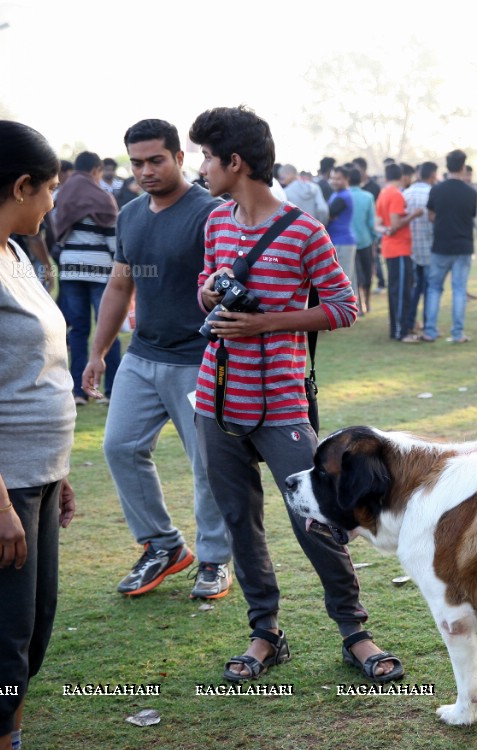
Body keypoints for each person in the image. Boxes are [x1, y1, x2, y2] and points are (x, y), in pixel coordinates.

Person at [187, 106, 401, 684]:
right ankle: (265, 633)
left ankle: (355, 633)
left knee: (317, 516)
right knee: (238, 518)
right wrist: (210, 294)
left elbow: (343, 305)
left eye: (206, 155)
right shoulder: (215, 223)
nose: (199, 166)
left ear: (235, 162)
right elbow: (205, 294)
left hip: (281, 399)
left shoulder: (303, 230)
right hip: (216, 397)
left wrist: (266, 323)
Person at [80, 118, 232, 601]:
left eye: (155, 160)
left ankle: (213, 558)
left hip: (199, 359)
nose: (145, 171)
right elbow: (121, 284)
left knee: (208, 465)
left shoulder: (212, 213)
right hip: (143, 356)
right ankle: (164, 546)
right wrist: (98, 352)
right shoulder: (129, 215)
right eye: (136, 162)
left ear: (180, 158)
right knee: (120, 447)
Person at [0, 119, 82, 750]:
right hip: (5, 491)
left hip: (38, 478)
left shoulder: (16, 254)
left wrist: (61, 470)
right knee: (2, 642)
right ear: (21, 185)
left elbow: (37, 370)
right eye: (50, 188)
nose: (54, 202)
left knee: (30, 633)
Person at [53, 151, 122, 405]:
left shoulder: (61, 194)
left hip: (69, 268)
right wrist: (120, 266)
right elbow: (113, 238)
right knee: (108, 328)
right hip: (99, 269)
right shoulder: (102, 195)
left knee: (78, 330)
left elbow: (54, 229)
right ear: (96, 170)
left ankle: (78, 392)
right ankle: (112, 389)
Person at [424, 149, 477, 343]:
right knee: (459, 290)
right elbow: (471, 216)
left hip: (441, 245)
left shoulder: (437, 189)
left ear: (447, 166)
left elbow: (430, 215)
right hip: (463, 245)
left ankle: (430, 331)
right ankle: (457, 333)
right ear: (463, 167)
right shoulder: (471, 192)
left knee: (434, 288)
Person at [376, 162, 422, 340]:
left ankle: (397, 329)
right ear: (402, 176)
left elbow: (378, 224)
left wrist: (386, 230)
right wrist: (413, 215)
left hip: (391, 248)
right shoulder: (396, 195)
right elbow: (395, 225)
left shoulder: (383, 194)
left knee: (396, 290)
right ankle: (401, 332)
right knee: (402, 292)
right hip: (399, 249)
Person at [401, 162, 437, 343]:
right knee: (431, 289)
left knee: (413, 289)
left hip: (409, 248)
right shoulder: (432, 193)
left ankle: (409, 322)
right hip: (430, 248)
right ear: (432, 176)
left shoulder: (405, 194)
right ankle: (429, 325)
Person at [346, 166, 378, 312]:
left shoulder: (342, 196)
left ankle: (357, 305)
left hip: (347, 242)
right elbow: (372, 222)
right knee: (367, 273)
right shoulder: (367, 197)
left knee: (353, 274)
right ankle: (368, 302)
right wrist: (375, 238)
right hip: (365, 240)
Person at [325, 166, 359, 301]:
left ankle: (346, 312)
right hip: (339, 241)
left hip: (343, 242)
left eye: (338, 179)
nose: (334, 181)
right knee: (347, 278)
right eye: (332, 178)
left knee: (343, 280)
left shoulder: (343, 196)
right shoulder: (336, 194)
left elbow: (328, 214)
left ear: (347, 179)